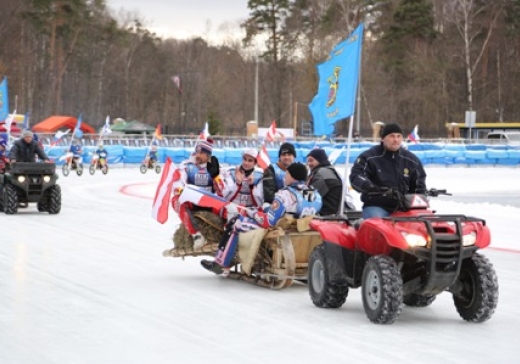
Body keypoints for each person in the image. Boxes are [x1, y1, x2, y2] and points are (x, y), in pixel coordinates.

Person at [201, 162, 322, 275]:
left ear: (293, 176)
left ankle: (222, 263)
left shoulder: (285, 194)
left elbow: (268, 222)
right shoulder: (316, 195)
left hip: (281, 229)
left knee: (236, 222)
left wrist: (253, 213)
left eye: (287, 174)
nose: (285, 177)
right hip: (301, 230)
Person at [349, 123, 426, 219]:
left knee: (424, 224)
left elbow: (419, 184)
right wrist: (369, 186)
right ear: (383, 138)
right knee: (377, 223)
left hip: (405, 206)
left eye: (399, 136)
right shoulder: (369, 157)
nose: (396, 140)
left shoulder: (412, 160)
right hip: (377, 205)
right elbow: (356, 176)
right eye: (392, 136)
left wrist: (420, 196)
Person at [171, 138, 222, 248]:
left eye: (202, 153)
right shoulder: (187, 165)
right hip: (193, 203)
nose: (198, 155)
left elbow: (224, 191)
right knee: (175, 200)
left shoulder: (215, 167)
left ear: (208, 155)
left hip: (210, 204)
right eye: (197, 152)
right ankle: (196, 234)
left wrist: (216, 176)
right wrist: (180, 189)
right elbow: (177, 183)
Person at [306, 148, 343, 215]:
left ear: (320, 160)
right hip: (334, 212)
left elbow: (308, 197)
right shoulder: (331, 171)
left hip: (325, 214)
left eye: (311, 160)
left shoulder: (322, 173)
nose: (309, 164)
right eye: (308, 161)